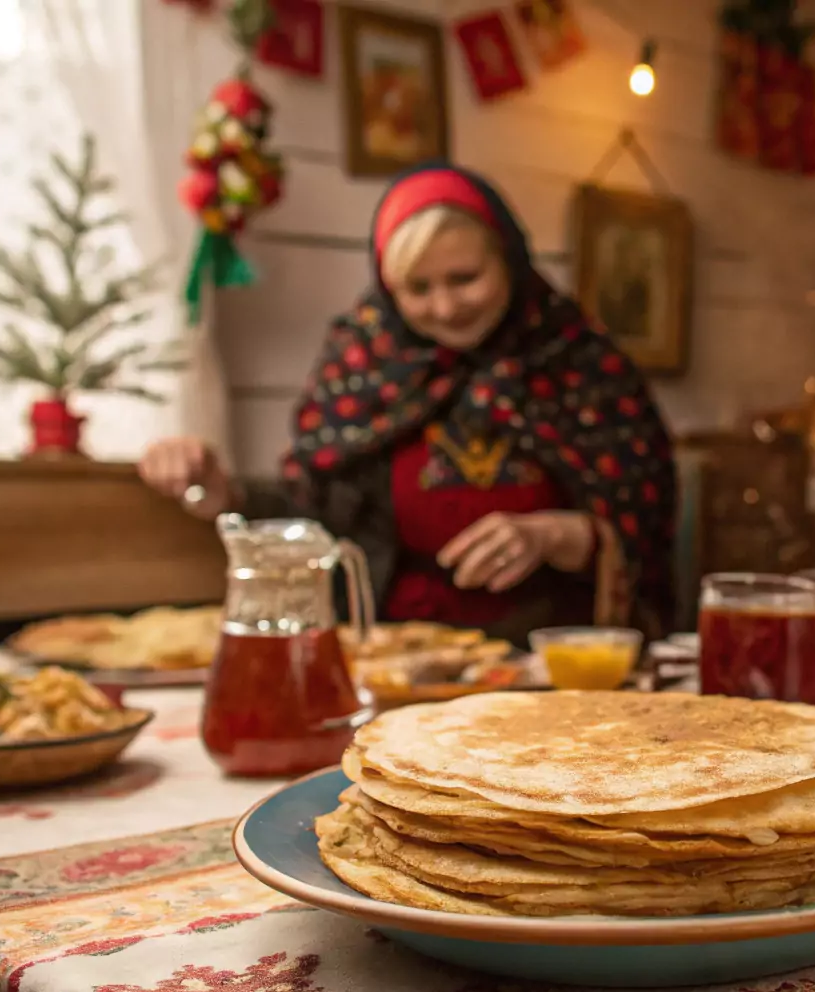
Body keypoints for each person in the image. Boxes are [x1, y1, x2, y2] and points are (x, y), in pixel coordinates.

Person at [139, 162, 679, 641]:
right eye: (417, 289)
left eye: (465, 278)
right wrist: (222, 489)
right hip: (394, 657)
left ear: (511, 260)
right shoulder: (362, 360)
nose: (445, 307)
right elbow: (314, 512)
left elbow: (648, 523)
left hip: (553, 659)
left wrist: (562, 534)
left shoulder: (578, 357)